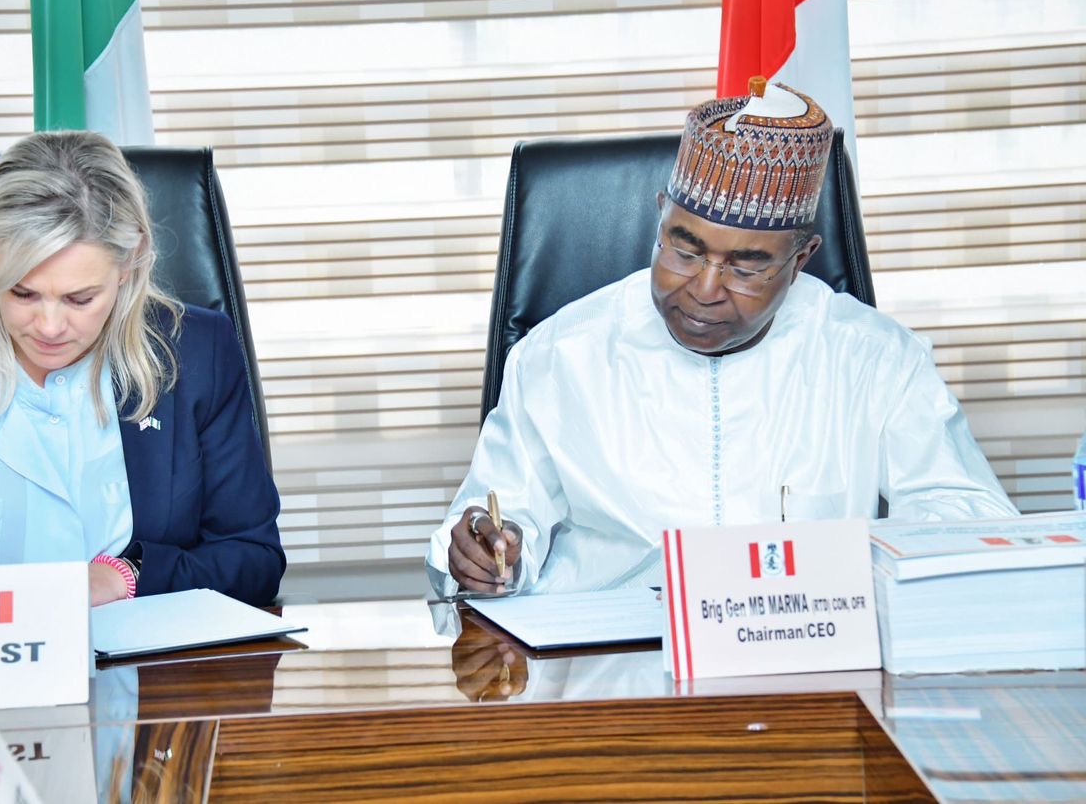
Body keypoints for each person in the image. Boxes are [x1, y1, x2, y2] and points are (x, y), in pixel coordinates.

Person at [426, 79, 1017, 598]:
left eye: (747, 265)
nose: (705, 289)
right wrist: (488, 552)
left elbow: (970, 518)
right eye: (684, 248)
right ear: (661, 218)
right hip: (612, 677)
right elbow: (496, 517)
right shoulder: (560, 355)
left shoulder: (875, 359)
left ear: (802, 258)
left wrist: (855, 569)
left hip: (804, 663)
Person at [0, 131, 284, 628]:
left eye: (79, 298)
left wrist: (125, 577)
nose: (48, 327)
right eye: (22, 293)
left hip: (143, 683)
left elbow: (252, 557)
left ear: (128, 268)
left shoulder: (197, 350)